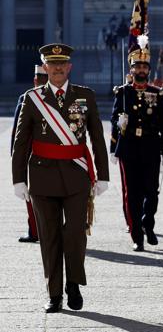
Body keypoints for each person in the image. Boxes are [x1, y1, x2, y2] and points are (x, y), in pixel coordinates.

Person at [11, 43, 109, 313]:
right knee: (49, 236)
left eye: (61, 63)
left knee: (76, 233)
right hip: (42, 176)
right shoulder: (32, 99)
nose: (56, 68)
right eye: (51, 64)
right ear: (45, 67)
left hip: (77, 175)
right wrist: (18, 179)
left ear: (69, 67)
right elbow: (21, 142)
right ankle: (54, 294)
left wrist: (103, 175)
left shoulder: (84, 96)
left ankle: (73, 283)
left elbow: (97, 139)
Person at [110, 36, 163, 252]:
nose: (142, 70)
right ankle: (137, 236)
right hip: (128, 148)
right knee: (132, 194)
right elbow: (113, 119)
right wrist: (114, 142)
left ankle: (148, 224)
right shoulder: (123, 92)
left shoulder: (157, 93)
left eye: (145, 66)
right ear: (132, 68)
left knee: (152, 192)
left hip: (151, 147)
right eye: (138, 66)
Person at [11, 65, 49, 243]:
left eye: (43, 79)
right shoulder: (25, 98)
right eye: (39, 79)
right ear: (35, 80)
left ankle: (39, 230)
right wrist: (15, 153)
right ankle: (35, 230)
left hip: (47, 152)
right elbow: (17, 131)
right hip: (31, 153)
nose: (41, 82)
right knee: (30, 195)